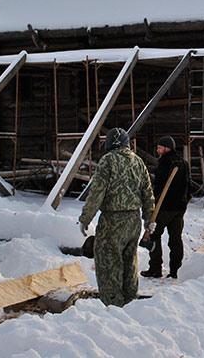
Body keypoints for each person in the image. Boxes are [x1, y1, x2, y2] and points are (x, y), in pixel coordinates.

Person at [78, 128, 154, 307]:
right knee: (129, 260)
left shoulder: (108, 161)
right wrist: (149, 217)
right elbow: (147, 191)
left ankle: (113, 303)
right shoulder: (138, 161)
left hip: (113, 221)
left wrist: (85, 217)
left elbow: (97, 191)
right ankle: (130, 298)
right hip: (133, 220)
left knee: (108, 262)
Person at [141, 135, 191, 279]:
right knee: (175, 238)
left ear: (167, 148)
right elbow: (188, 185)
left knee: (154, 236)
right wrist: (184, 202)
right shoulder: (183, 163)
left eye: (160, 147)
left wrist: (153, 205)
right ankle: (176, 270)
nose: (158, 150)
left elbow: (159, 187)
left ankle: (155, 268)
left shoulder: (165, 162)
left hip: (164, 207)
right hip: (179, 208)